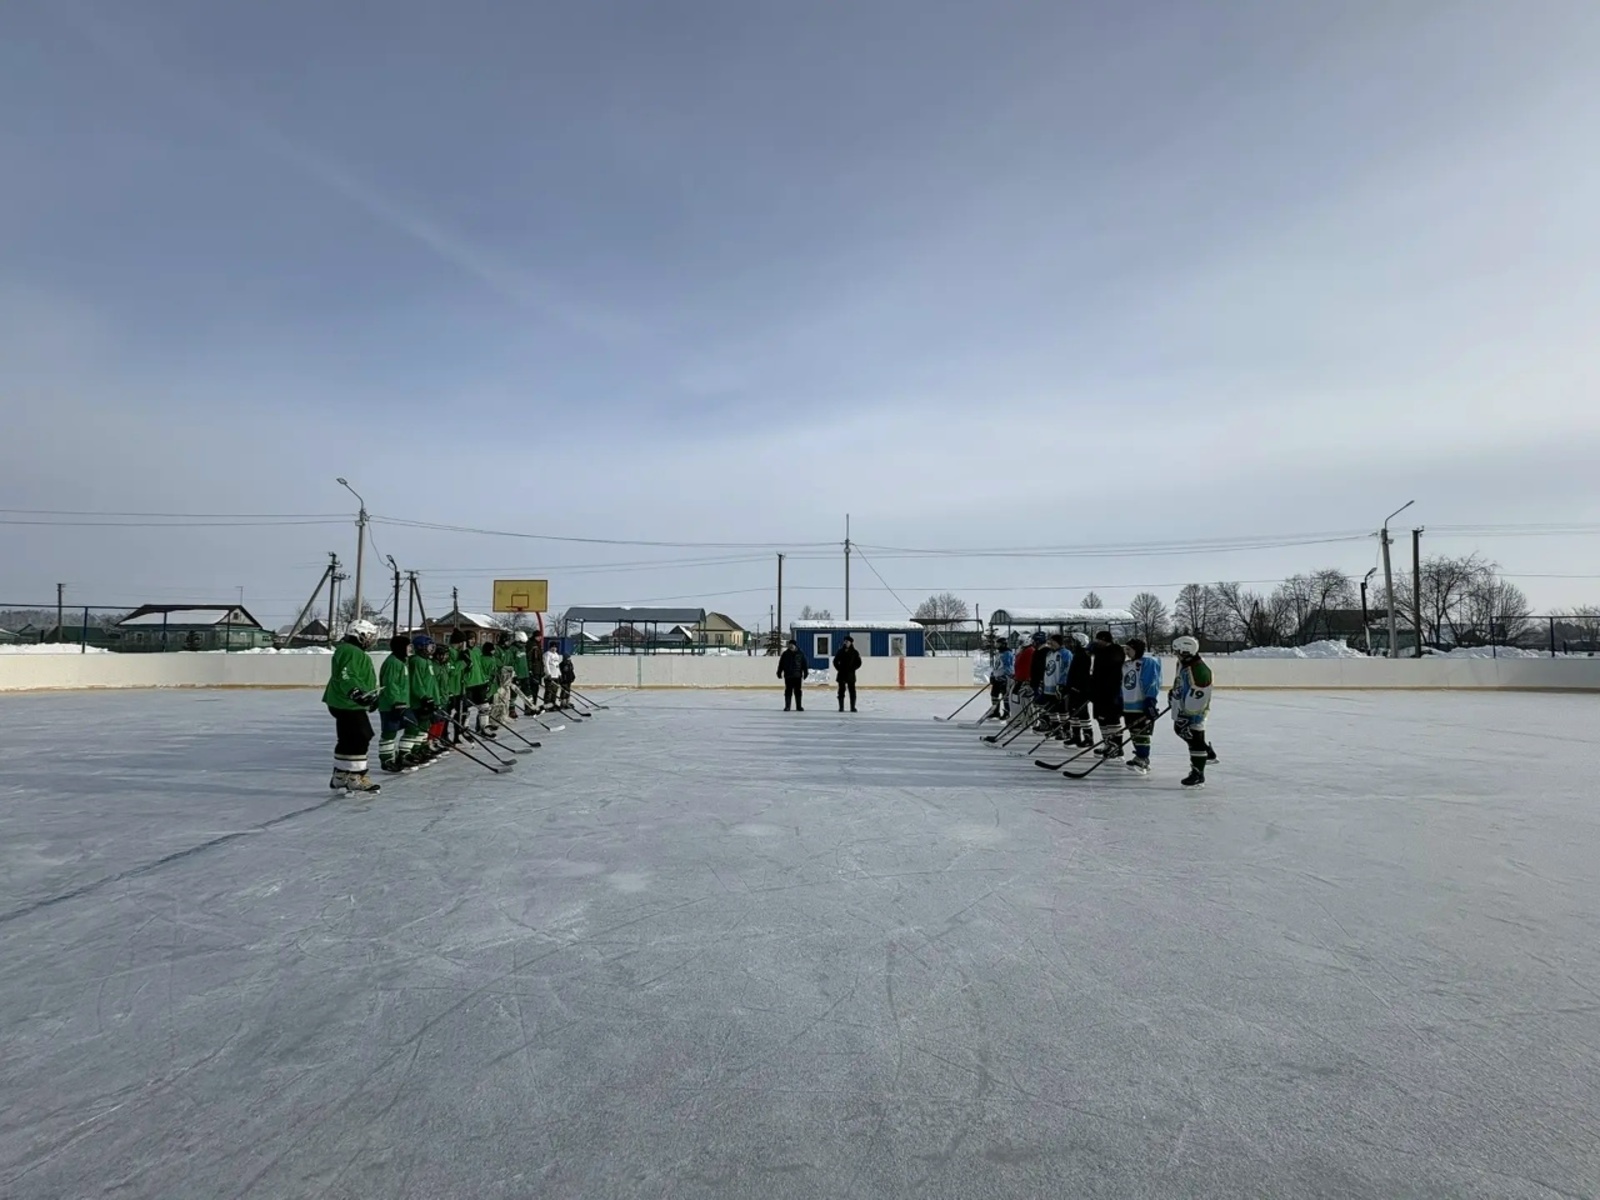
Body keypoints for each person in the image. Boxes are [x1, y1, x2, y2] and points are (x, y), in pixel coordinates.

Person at [323, 619, 381, 793]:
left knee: (349, 737)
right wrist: (356, 692)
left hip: (346, 702)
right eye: (369, 636)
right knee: (362, 735)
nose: (371, 640)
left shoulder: (352, 651)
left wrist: (371, 696)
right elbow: (347, 675)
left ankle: (340, 776)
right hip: (347, 703)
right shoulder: (350, 651)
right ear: (360, 634)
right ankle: (356, 776)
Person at [1169, 636, 1215, 787]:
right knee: (1182, 732)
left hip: (1195, 713)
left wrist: (1188, 715)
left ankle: (1198, 773)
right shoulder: (1183, 663)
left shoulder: (1199, 670)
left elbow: (1199, 697)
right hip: (1183, 707)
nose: (1175, 653)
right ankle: (1206, 751)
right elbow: (1180, 682)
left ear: (1185, 650)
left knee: (1194, 739)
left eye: (1177, 650)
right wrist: (1174, 693)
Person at [1120, 636, 1163, 774]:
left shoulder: (1147, 663)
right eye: (1126, 649)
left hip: (1140, 704)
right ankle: (1139, 755)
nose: (1126, 652)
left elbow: (1151, 681)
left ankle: (1144, 758)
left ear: (1137, 650)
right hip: (1128, 705)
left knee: (1142, 733)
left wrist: (1150, 700)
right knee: (1134, 732)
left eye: (1129, 649)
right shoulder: (1126, 665)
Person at [377, 634, 414, 774]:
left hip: (404, 704)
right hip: (391, 705)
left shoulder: (402, 661)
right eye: (407, 646)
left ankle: (404, 754)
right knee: (389, 731)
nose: (410, 649)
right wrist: (396, 701)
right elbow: (390, 684)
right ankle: (386, 759)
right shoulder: (392, 663)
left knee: (412, 725)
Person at [404, 634, 442, 764]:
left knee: (425, 725)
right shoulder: (416, 661)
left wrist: (436, 699)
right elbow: (416, 682)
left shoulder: (428, 661)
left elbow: (432, 683)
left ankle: (421, 748)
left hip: (430, 699)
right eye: (429, 647)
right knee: (419, 726)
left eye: (432, 647)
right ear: (420, 647)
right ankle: (414, 751)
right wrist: (423, 697)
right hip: (420, 701)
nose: (431, 650)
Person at [1090, 630, 1126, 757]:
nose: (1097, 642)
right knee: (1101, 718)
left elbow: (1114, 661)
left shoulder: (1115, 650)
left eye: (1099, 640)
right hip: (1099, 691)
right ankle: (1107, 743)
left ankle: (1116, 745)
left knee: (1112, 719)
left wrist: (1098, 651)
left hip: (1111, 691)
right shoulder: (1101, 652)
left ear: (1106, 640)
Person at [1065, 631, 1095, 747]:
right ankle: (1076, 736)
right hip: (1073, 689)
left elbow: (1085, 675)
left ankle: (1088, 737)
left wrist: (1080, 688)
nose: (1071, 644)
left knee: (1082, 713)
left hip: (1080, 690)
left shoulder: (1084, 656)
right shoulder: (1076, 655)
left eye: (1073, 642)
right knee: (1073, 713)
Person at [987, 634, 1015, 719]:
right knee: (994, 695)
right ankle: (995, 711)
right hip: (997, 678)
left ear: (1003, 644)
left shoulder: (1007, 653)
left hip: (1004, 679)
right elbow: (997, 666)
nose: (997, 646)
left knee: (1005, 695)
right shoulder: (999, 653)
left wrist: (1005, 676)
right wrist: (993, 675)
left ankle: (1007, 713)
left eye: (998, 644)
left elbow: (1008, 667)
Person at [833, 635, 863, 712]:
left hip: (850, 675)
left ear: (851, 643)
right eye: (845, 641)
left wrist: (853, 668)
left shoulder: (855, 652)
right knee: (841, 691)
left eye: (847, 642)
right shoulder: (840, 651)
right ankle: (841, 707)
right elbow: (835, 661)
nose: (846, 643)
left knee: (852, 691)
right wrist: (839, 668)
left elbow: (859, 662)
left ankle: (852, 707)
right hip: (842, 674)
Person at [509, 630, 532, 717]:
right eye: (522, 643)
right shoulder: (512, 649)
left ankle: (529, 707)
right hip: (516, 675)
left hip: (525, 674)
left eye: (525, 643)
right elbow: (511, 662)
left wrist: (529, 671)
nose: (524, 645)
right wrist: (513, 674)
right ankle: (511, 710)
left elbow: (525, 661)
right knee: (513, 693)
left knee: (527, 692)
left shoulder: (523, 648)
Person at [542, 641, 563, 709]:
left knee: (555, 691)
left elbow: (557, 665)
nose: (554, 648)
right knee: (549, 691)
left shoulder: (556, 655)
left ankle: (553, 703)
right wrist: (548, 674)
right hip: (550, 676)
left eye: (555, 647)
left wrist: (559, 674)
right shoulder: (547, 654)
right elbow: (546, 664)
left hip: (555, 675)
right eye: (553, 647)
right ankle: (547, 704)